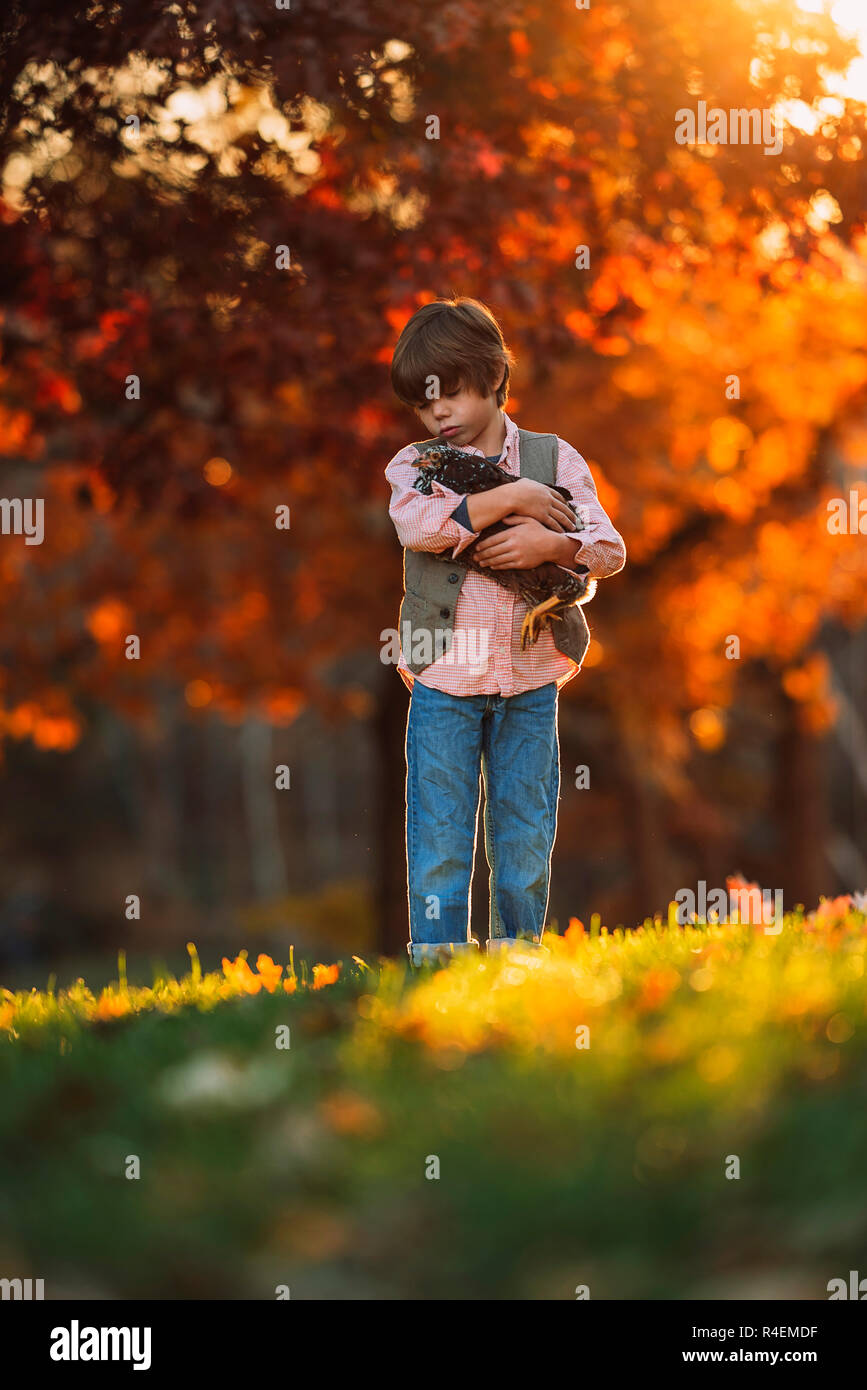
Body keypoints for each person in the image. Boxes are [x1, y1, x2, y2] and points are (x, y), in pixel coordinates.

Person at [385, 296, 626, 967]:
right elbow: (418, 527)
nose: (436, 414)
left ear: (492, 377)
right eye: (422, 403)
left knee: (522, 828)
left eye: (450, 394)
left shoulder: (555, 458)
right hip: (442, 679)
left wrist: (548, 547)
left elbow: (608, 549)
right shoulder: (416, 467)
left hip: (530, 677)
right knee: (439, 832)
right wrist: (512, 498)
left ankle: (517, 958)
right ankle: (435, 963)